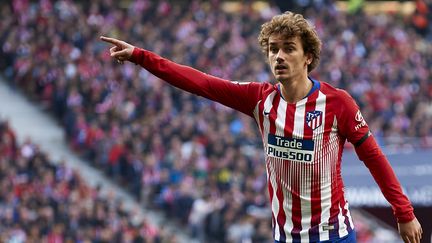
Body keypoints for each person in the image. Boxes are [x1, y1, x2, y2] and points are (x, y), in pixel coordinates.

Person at [100, 11, 422, 243]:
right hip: (284, 238)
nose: (278, 56)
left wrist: (403, 212)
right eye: (273, 49)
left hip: (333, 236)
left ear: (308, 56)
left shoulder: (338, 104)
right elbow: (199, 82)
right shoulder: (259, 99)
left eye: (288, 48)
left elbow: (374, 158)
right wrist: (140, 56)